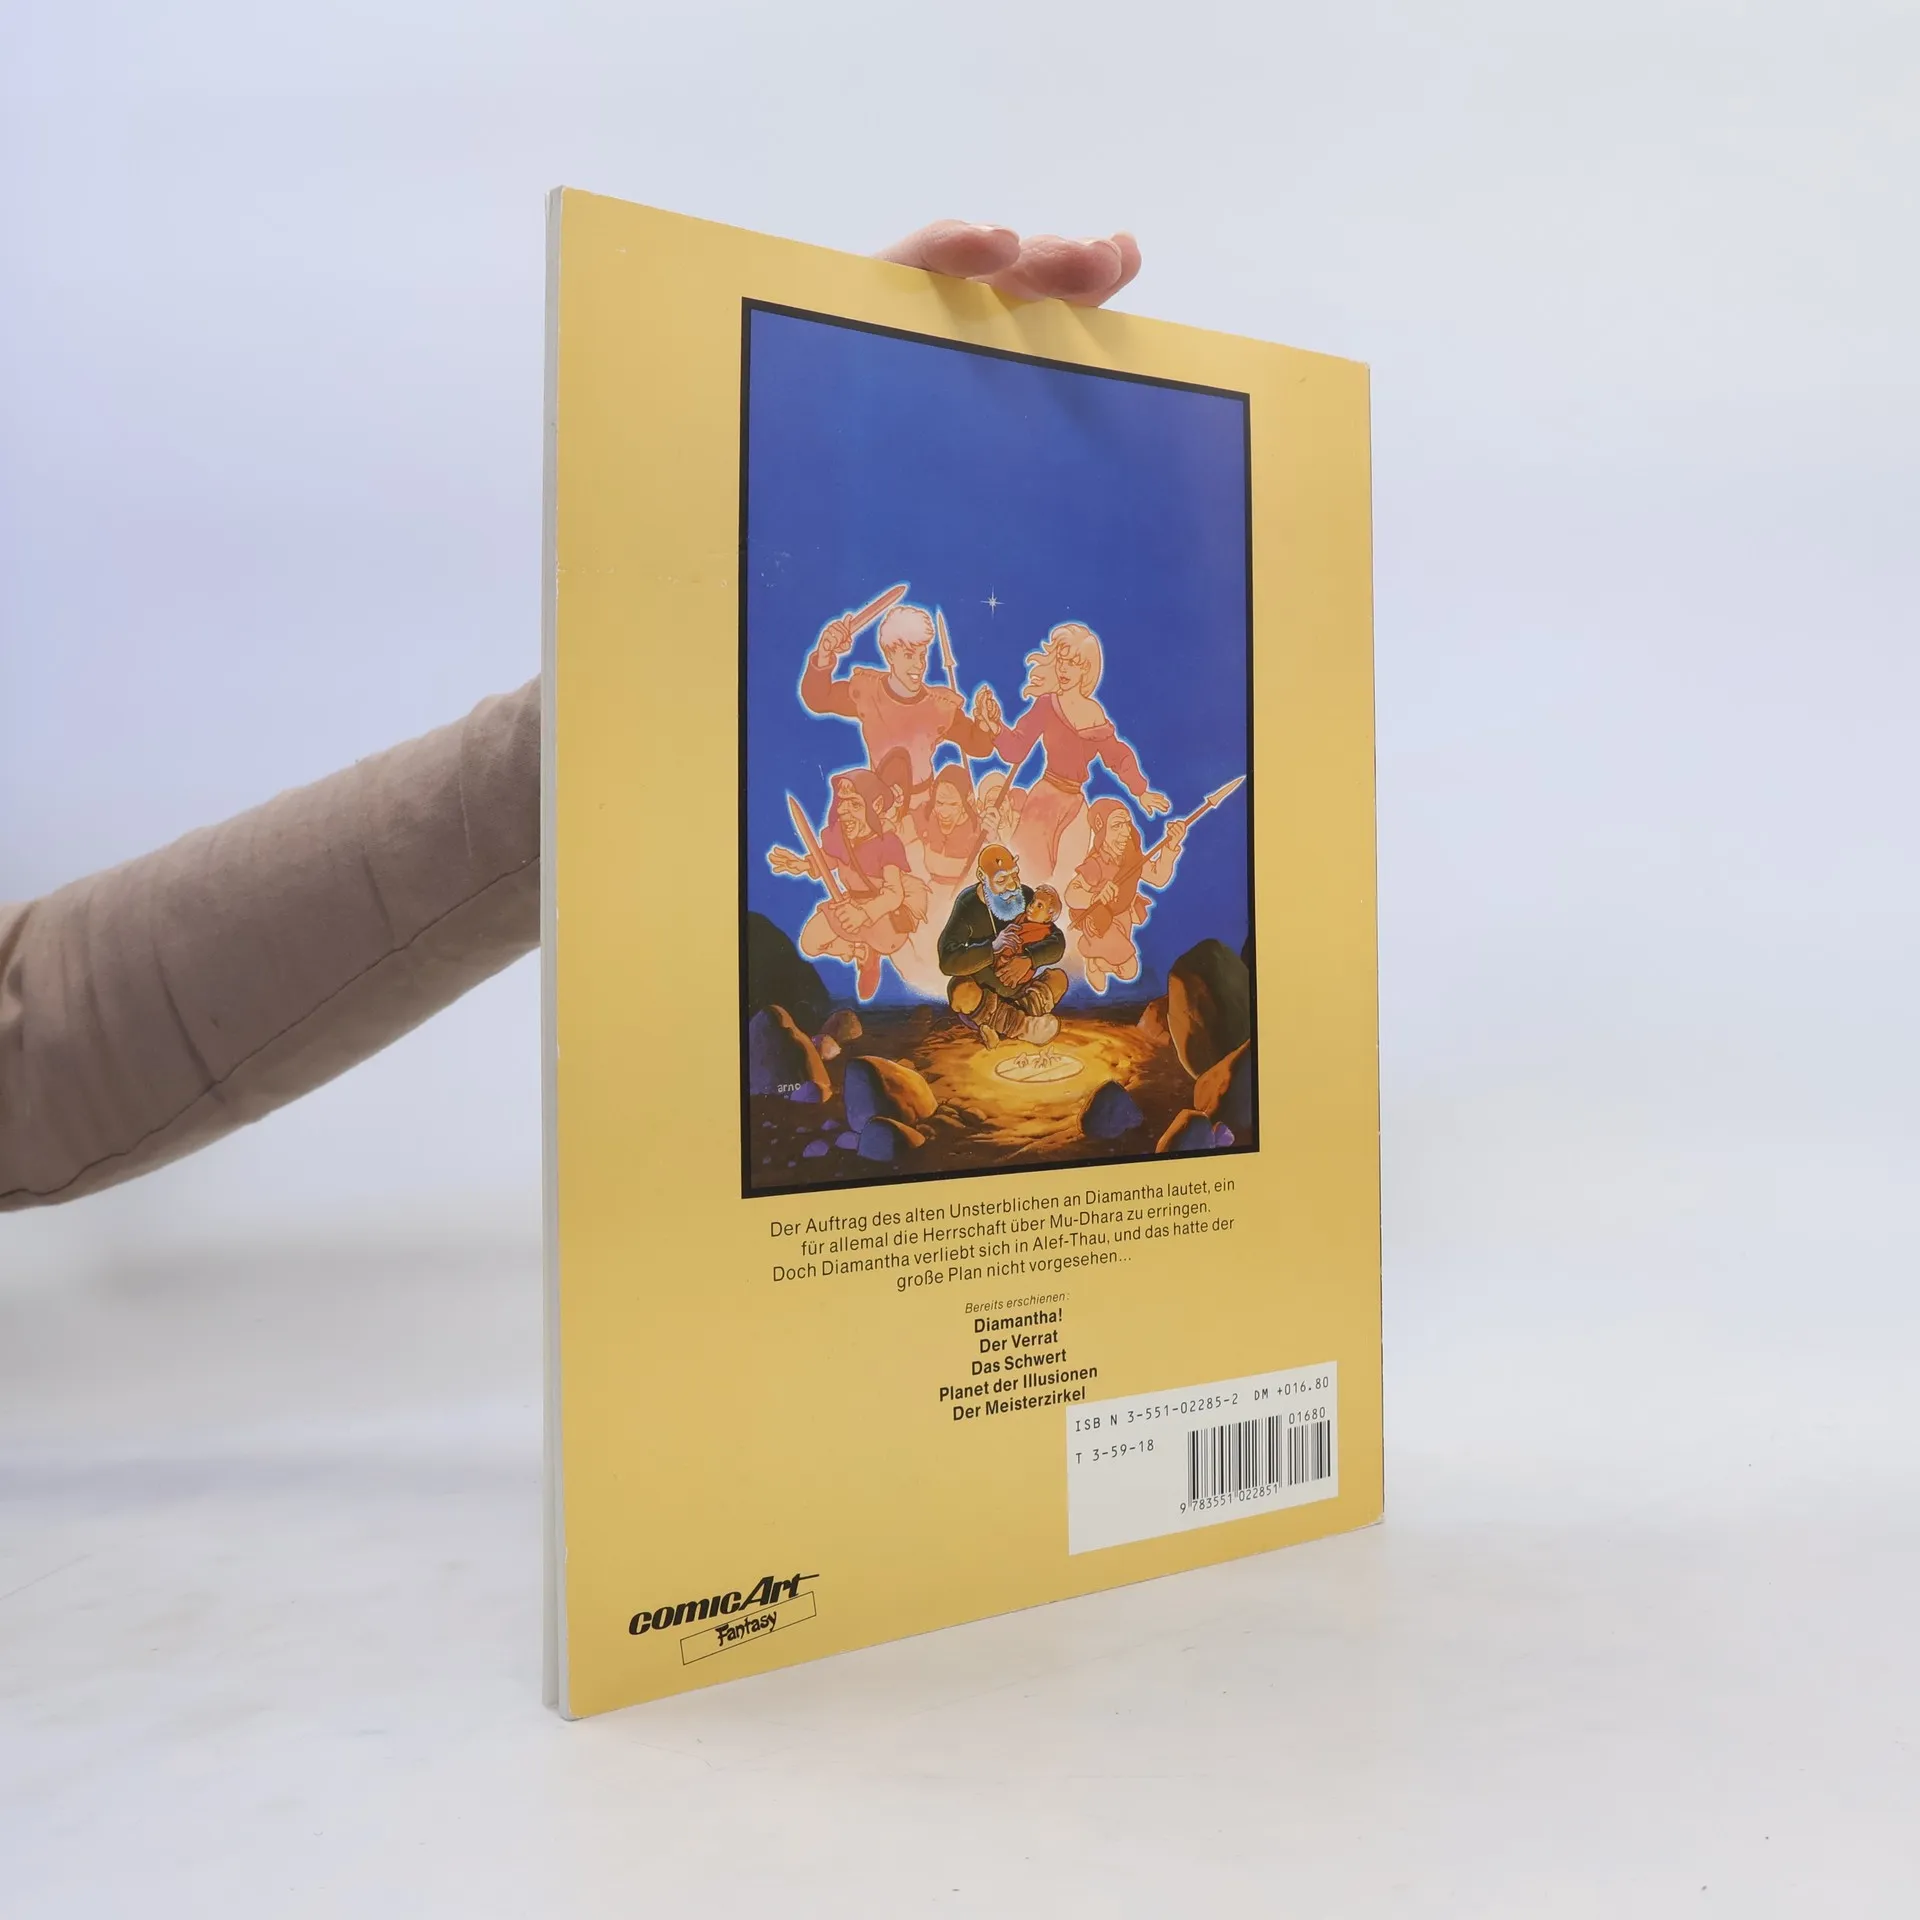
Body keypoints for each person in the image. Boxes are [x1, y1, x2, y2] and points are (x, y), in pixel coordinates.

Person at [0, 219, 1143, 1211]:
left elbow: (47, 1029)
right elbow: (51, 1045)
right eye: (898, 649)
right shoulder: (865, 690)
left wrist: (669, 662)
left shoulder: (950, 706)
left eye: (915, 650)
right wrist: (834, 630)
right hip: (888, 831)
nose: (908, 659)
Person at [990, 622, 1169, 888]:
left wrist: (1141, 790)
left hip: (1074, 805)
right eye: (1062, 661)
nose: (1064, 669)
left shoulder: (1094, 714)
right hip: (1043, 800)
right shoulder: (1046, 704)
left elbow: (1117, 756)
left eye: (1073, 663)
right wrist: (995, 727)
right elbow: (1016, 748)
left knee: (1064, 879)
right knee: (1026, 868)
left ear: (1086, 668)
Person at [800, 601, 1003, 817]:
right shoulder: (868, 693)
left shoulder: (938, 706)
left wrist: (984, 722)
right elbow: (817, 699)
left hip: (925, 813)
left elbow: (978, 747)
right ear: (889, 655)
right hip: (881, 809)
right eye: (908, 655)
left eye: (922, 655)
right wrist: (824, 654)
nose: (919, 665)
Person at [767, 771, 929, 1001]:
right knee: (809, 944)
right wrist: (804, 864)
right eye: (842, 802)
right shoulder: (841, 836)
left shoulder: (887, 843)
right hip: (848, 903)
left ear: (876, 805)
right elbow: (829, 859)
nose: (843, 810)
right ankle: (859, 951)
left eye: (854, 804)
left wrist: (863, 914)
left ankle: (869, 951)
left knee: (887, 941)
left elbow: (893, 894)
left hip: (881, 913)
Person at [937, 844, 1068, 1045]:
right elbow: (947, 960)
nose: (1012, 886)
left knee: (1058, 978)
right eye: (1001, 880)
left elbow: (1057, 941)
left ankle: (1002, 1024)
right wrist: (991, 948)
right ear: (982, 877)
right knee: (960, 992)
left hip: (1020, 989)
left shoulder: (1025, 896)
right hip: (985, 994)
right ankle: (1024, 1027)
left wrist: (1029, 959)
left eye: (1014, 875)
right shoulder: (968, 903)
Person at [1064, 798, 1188, 993]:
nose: (1125, 832)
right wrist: (1094, 896)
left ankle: (1098, 962)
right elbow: (1071, 894)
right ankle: (1093, 955)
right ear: (1102, 830)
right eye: (1117, 826)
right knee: (1128, 966)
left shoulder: (1133, 857)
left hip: (1123, 917)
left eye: (1127, 824)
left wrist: (1170, 847)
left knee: (1129, 972)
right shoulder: (1096, 863)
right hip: (1101, 922)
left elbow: (1158, 877)